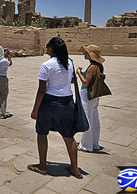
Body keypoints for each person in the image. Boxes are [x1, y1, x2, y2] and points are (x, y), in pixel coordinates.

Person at [28, 37, 82, 179]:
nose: (46, 50)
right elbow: (70, 80)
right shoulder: (69, 63)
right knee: (69, 136)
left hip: (50, 103)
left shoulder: (47, 65)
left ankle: (42, 166)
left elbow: (41, 90)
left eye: (47, 47)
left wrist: (35, 110)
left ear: (52, 49)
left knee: (42, 133)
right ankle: (75, 168)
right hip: (67, 103)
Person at [76, 45, 105, 153]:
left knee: (87, 119)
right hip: (95, 95)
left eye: (86, 53)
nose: (84, 54)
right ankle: (94, 143)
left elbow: (85, 82)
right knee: (94, 119)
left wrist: (79, 72)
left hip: (87, 95)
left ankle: (86, 145)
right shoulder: (99, 66)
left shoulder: (92, 67)